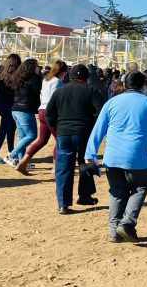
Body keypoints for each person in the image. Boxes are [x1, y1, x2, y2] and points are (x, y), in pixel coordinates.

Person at [86, 71, 147, 243]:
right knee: (140, 188)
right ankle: (127, 223)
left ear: (125, 84)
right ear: (142, 86)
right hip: (136, 157)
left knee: (117, 192)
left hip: (113, 156)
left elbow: (98, 129)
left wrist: (90, 153)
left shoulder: (111, 103)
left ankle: (113, 232)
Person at [42, 64, 106, 212]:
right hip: (84, 133)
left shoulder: (60, 91)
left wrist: (57, 129)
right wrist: (94, 127)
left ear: (70, 76)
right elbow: (101, 111)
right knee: (85, 164)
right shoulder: (90, 90)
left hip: (64, 133)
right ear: (86, 77)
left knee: (63, 168)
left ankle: (63, 204)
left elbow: (49, 114)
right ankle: (85, 196)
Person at [16, 60, 67, 174]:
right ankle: (55, 167)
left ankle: (23, 162)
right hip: (51, 112)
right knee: (59, 140)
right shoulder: (58, 82)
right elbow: (56, 99)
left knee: (42, 140)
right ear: (62, 72)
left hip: (42, 111)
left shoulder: (46, 80)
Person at [5, 58, 42, 166]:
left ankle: (23, 162)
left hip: (16, 109)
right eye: (36, 66)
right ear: (31, 68)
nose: (38, 68)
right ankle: (11, 155)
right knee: (32, 135)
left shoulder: (19, 78)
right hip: (25, 110)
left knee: (22, 136)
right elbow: (38, 92)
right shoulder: (34, 79)